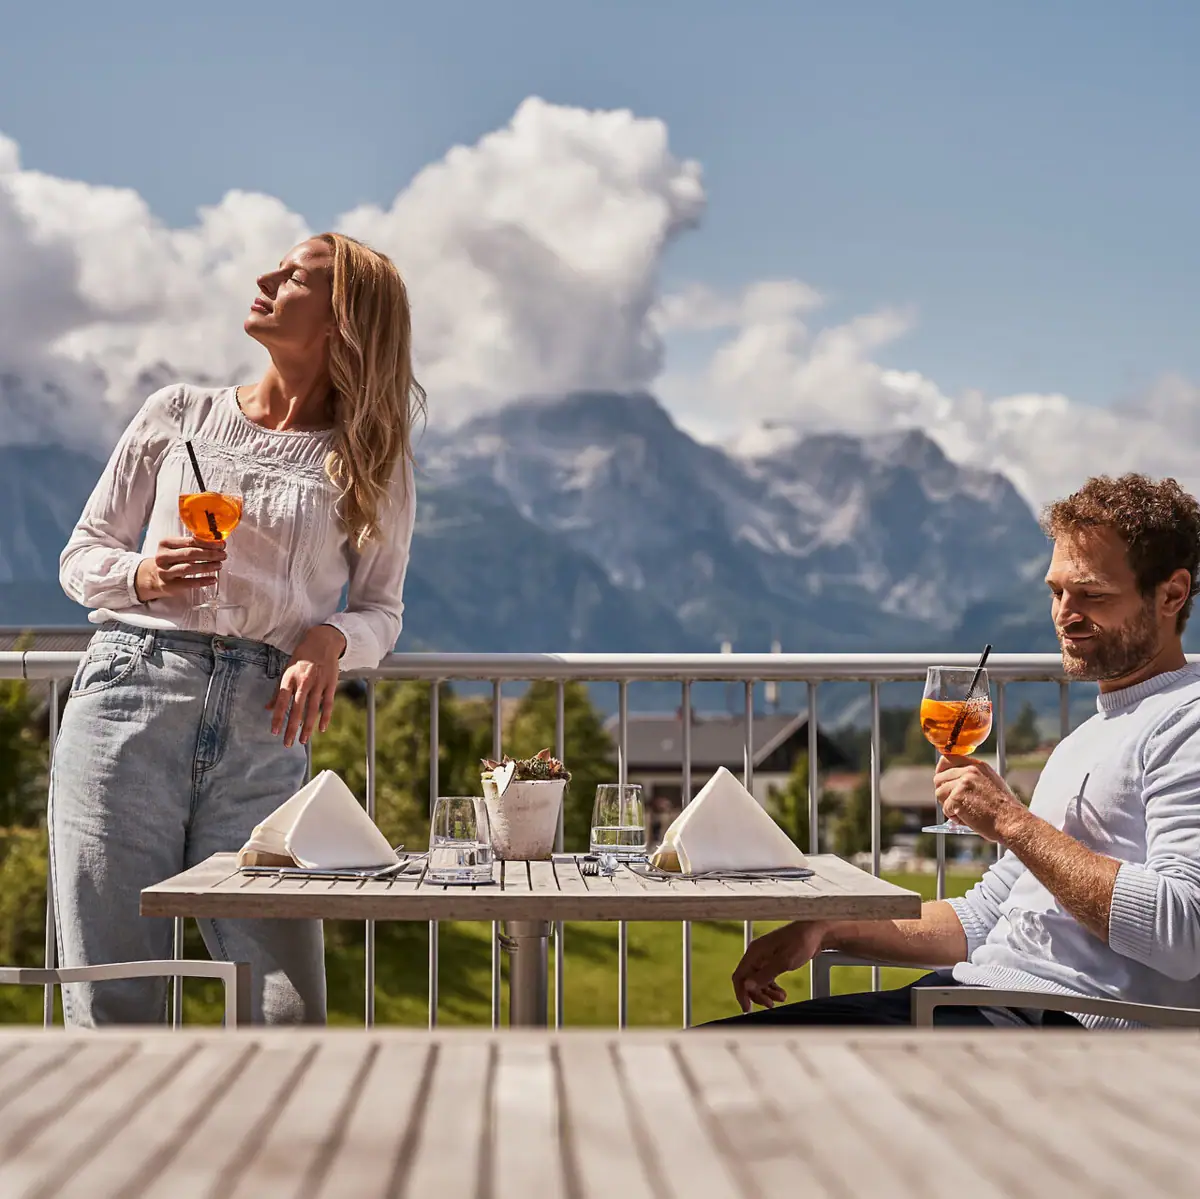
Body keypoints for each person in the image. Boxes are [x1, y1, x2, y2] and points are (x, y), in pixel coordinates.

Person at [52, 233, 423, 1026]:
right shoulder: (179, 416)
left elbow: (382, 611)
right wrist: (143, 576)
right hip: (128, 698)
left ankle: (277, 1153)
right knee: (112, 992)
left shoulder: (372, 460)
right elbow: (82, 555)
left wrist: (332, 637)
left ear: (342, 323)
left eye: (293, 277)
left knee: (283, 1008)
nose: (265, 279)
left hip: (267, 725)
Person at [721, 473, 1200, 1029]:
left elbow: (1183, 933)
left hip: (1044, 1028)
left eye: (1092, 594)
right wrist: (828, 927)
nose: (1066, 614)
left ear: (1171, 594)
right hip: (968, 1000)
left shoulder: (1187, 723)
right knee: (697, 1061)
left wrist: (1012, 822)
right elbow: (982, 918)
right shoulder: (1090, 736)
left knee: (708, 1067)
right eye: (1056, 592)